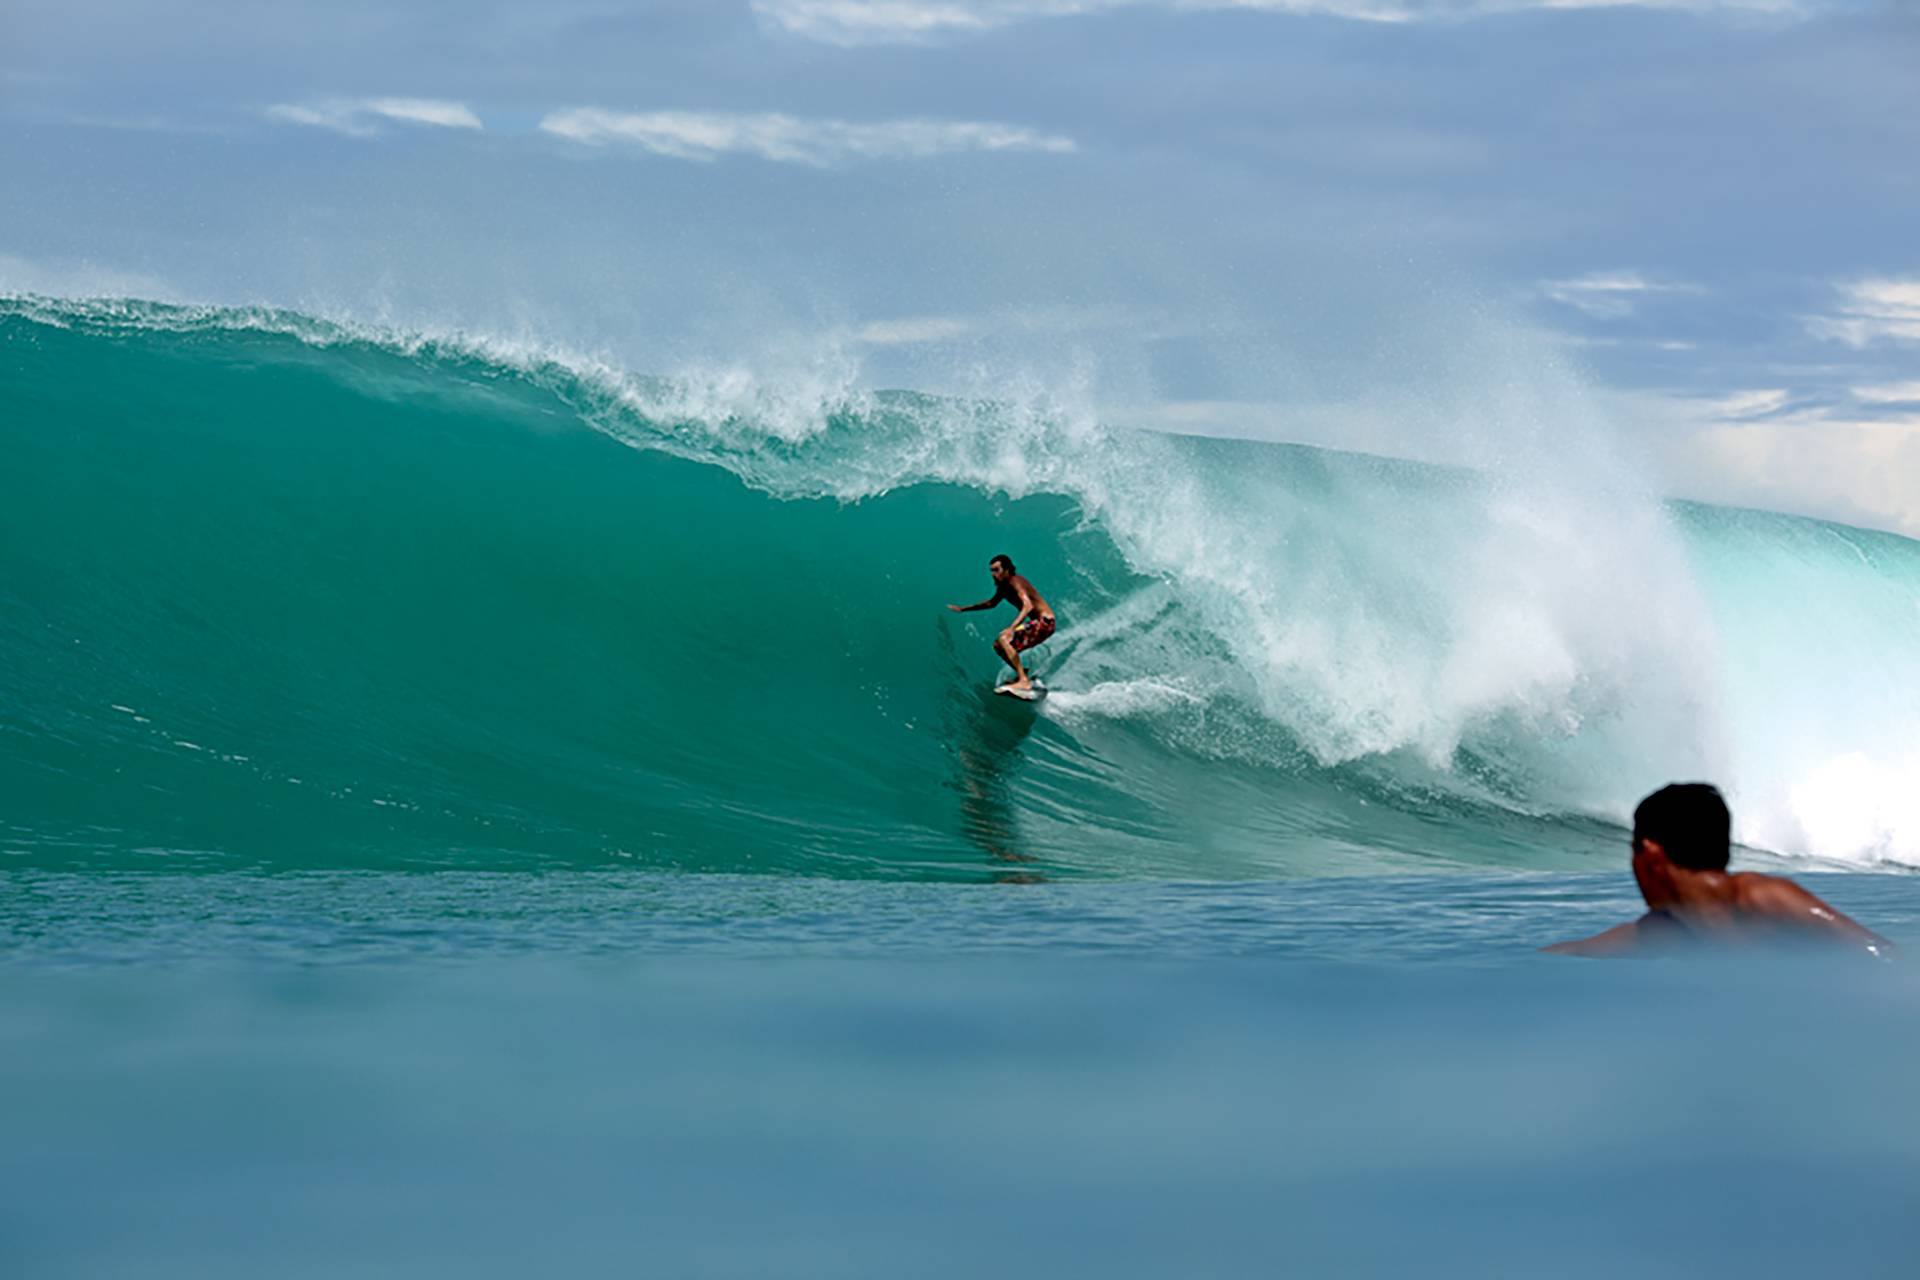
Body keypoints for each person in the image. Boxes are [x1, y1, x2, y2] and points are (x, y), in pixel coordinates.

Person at [1545, 783, 1894, 960]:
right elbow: (1572, 953)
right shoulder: (1670, 929)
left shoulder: (1761, 899)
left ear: (1651, 854)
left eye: (1632, 850)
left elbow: (1880, 953)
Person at [947, 554, 1056, 695]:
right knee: (998, 646)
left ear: (1007, 570)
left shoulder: (1015, 582)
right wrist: (964, 609)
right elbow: (991, 603)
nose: (993, 574)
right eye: (991, 571)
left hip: (1045, 622)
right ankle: (1023, 675)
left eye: (996, 570)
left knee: (1004, 639)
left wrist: (1012, 628)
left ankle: (1023, 681)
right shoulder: (1004, 587)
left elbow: (1027, 606)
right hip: (1039, 624)